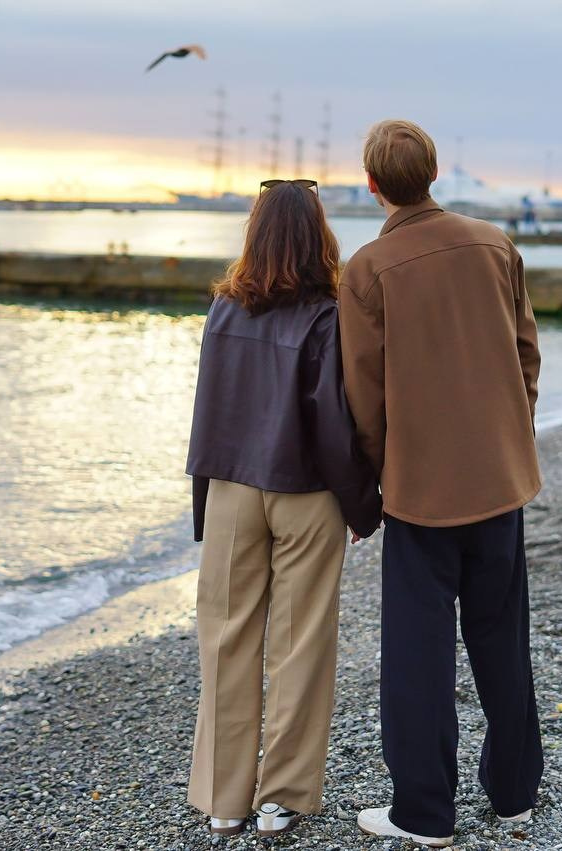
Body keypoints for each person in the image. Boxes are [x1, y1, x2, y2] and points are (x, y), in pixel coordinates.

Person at [339, 119, 544, 848]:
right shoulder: (494, 244)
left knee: (418, 651)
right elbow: (526, 353)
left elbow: (363, 396)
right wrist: (510, 434)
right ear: (434, 173)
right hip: (499, 475)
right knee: (501, 634)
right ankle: (515, 792)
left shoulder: (367, 268)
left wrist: (376, 477)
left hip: (421, 489)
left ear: (371, 184)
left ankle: (424, 812)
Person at [184, 178, 382, 839]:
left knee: (227, 637)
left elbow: (208, 413)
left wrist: (202, 502)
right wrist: (362, 505)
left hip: (233, 489)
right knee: (301, 643)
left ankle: (224, 799)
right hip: (307, 494)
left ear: (255, 232)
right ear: (319, 234)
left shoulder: (222, 311)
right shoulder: (329, 314)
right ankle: (282, 798)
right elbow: (335, 424)